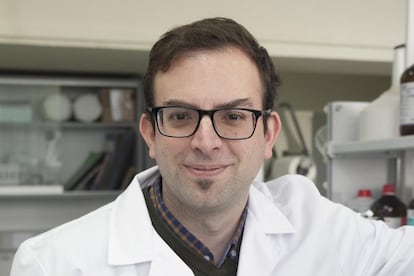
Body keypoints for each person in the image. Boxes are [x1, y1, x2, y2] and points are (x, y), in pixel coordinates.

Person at [10, 17, 414, 276]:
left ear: (269, 134)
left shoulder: (320, 227)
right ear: (151, 133)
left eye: (234, 117)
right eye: (182, 116)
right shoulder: (56, 263)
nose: (206, 142)